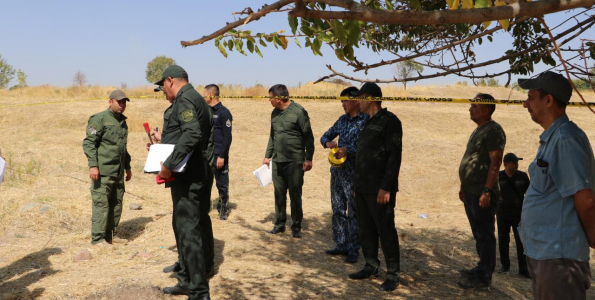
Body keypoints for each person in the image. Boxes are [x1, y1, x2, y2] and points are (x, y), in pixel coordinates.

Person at [518, 70, 595, 300]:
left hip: (559, 260)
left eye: (531, 97)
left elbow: (586, 200)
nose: (525, 104)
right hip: (548, 255)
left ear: (548, 100)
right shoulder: (554, 138)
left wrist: (592, 237)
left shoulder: (565, 139)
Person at [149, 65, 214, 300]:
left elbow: (192, 133)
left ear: (169, 81)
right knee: (197, 224)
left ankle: (197, 291)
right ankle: (193, 274)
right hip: (197, 172)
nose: (164, 92)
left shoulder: (185, 99)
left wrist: (168, 163)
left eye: (162, 87)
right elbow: (187, 134)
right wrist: (163, 141)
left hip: (188, 176)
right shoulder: (196, 99)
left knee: (188, 230)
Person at [348, 82, 402, 292]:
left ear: (370, 98)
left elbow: (394, 157)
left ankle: (393, 274)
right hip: (363, 187)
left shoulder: (390, 122)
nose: (357, 102)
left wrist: (386, 187)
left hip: (380, 189)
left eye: (360, 97)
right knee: (366, 229)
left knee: (385, 230)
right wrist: (356, 186)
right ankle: (371, 265)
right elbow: (363, 158)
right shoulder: (367, 122)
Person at [458, 93, 505, 289]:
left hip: (482, 193)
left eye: (474, 106)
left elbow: (495, 162)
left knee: (485, 235)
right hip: (471, 191)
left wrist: (487, 190)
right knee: (479, 234)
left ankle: (484, 277)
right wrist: (463, 186)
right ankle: (481, 267)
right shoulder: (479, 130)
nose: (470, 108)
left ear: (486, 110)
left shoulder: (493, 130)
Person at [320, 86, 367, 264]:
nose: (343, 104)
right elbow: (324, 136)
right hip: (338, 173)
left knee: (354, 212)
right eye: (341, 101)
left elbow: (367, 148)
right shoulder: (342, 120)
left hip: (355, 174)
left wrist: (349, 149)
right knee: (338, 209)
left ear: (356, 101)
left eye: (345, 101)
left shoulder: (365, 121)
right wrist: (328, 142)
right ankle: (340, 244)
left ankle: (354, 249)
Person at [263, 84, 315, 238]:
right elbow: (273, 136)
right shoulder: (274, 113)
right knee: (279, 193)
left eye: (271, 97)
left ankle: (296, 225)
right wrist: (267, 155)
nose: (269, 100)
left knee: (295, 194)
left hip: (294, 161)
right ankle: (279, 224)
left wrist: (309, 158)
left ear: (279, 98)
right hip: (278, 160)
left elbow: (308, 136)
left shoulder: (299, 111)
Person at [82, 90, 132, 246]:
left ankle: (112, 235)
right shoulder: (99, 119)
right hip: (103, 171)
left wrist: (128, 167)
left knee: (117, 202)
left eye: (124, 102)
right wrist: (93, 166)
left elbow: (122, 147)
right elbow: (89, 143)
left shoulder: (122, 121)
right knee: (101, 203)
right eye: (119, 102)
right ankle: (97, 238)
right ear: (110, 102)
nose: (122, 105)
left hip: (117, 171)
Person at [496, 153, 530, 278]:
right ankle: (505, 266)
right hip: (502, 213)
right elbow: (491, 192)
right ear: (505, 164)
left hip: (519, 214)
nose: (516, 164)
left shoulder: (523, 176)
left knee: (521, 241)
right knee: (503, 240)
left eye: (517, 162)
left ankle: (523, 268)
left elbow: (530, 194)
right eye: (513, 162)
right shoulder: (498, 177)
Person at [204, 84, 233, 220]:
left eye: (204, 95)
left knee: (221, 183)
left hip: (218, 154)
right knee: (205, 181)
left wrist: (222, 156)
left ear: (210, 95)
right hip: (207, 154)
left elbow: (227, 137)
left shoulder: (223, 112)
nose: (203, 98)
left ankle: (223, 208)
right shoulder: (206, 111)